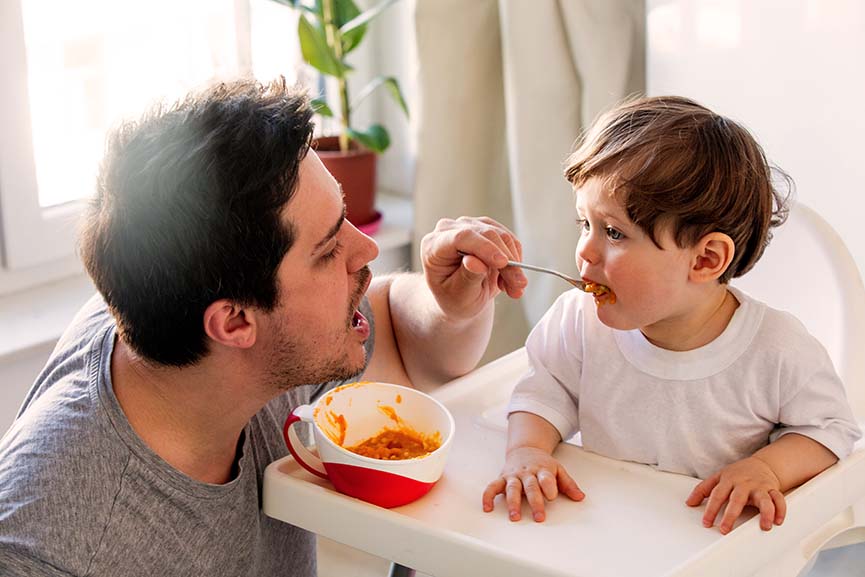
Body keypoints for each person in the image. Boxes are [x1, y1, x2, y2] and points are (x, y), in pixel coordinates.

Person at [0, 78, 527, 577]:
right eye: (326, 252)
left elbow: (408, 343)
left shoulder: (183, 317)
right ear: (234, 322)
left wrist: (448, 304)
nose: (365, 250)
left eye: (344, 216)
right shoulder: (60, 551)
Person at [481, 95, 861, 535]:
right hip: (606, 528)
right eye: (584, 223)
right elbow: (544, 393)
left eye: (613, 232)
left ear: (705, 260)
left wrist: (767, 470)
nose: (585, 249)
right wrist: (527, 451)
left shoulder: (777, 349)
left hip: (712, 545)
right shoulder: (577, 321)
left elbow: (830, 429)